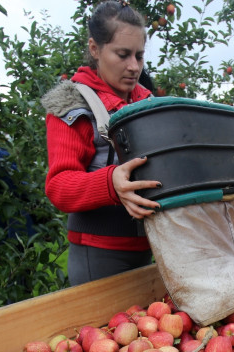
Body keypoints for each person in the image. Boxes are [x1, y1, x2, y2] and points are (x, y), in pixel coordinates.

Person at [41, 0, 161, 286]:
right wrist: (110, 183)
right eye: (122, 54)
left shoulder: (149, 104)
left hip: (151, 246)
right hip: (99, 253)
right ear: (95, 49)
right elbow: (59, 186)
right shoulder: (72, 106)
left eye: (139, 56)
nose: (134, 66)